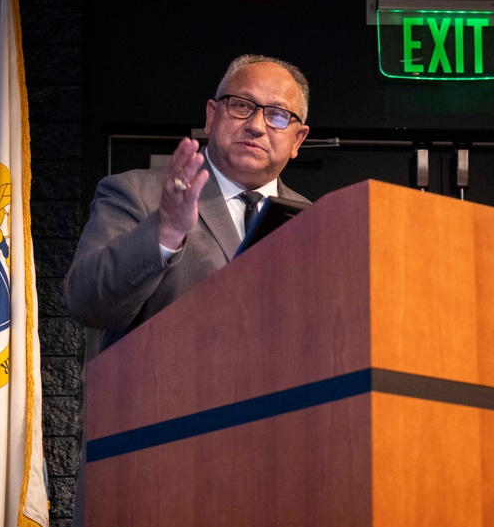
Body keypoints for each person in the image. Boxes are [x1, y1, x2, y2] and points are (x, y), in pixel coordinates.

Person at [63, 53, 312, 353]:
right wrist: (164, 233)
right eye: (242, 106)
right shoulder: (136, 193)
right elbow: (85, 302)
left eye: (277, 114)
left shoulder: (312, 219)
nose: (256, 125)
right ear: (211, 116)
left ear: (297, 140)